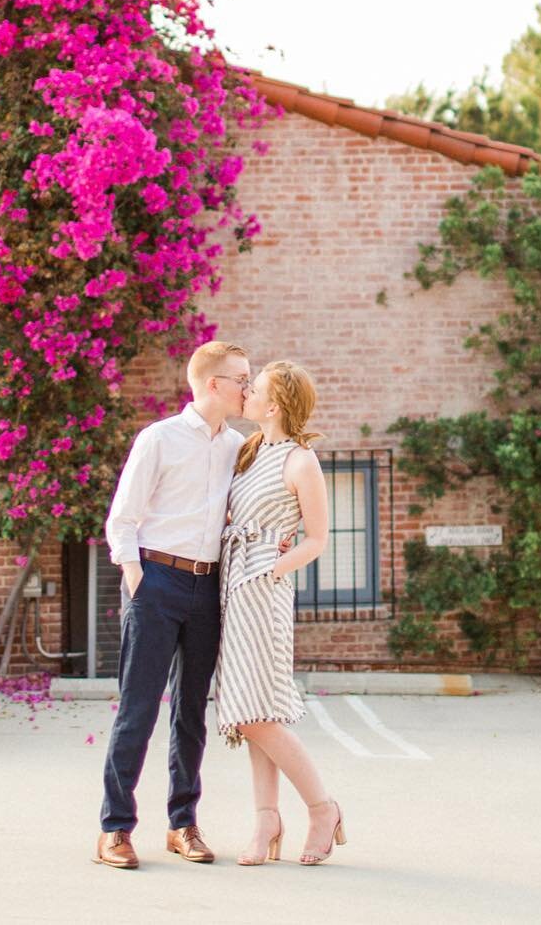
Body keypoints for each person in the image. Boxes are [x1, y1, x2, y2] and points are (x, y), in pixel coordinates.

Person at [94, 340, 251, 869]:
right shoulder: (158, 439)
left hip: (207, 588)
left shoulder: (238, 448)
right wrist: (137, 578)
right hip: (155, 580)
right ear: (213, 383)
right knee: (137, 710)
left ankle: (182, 824)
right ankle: (115, 829)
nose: (247, 388)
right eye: (240, 379)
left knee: (191, 714)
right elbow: (123, 518)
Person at [216, 360, 345, 866]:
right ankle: (266, 818)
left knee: (258, 715)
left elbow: (317, 539)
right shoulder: (249, 452)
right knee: (252, 712)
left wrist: (270, 570)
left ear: (273, 406)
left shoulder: (300, 461)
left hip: (262, 591)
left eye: (255, 389)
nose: (244, 393)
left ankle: (321, 809)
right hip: (233, 586)